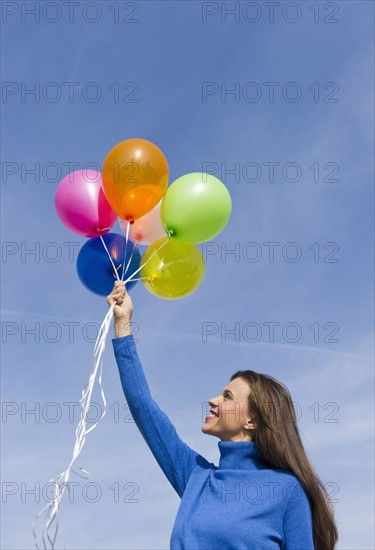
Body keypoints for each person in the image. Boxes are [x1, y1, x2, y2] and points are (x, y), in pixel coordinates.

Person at [107, 281, 338, 550]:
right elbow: (143, 407)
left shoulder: (287, 492)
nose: (212, 400)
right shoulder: (197, 477)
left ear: (252, 420)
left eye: (227, 396)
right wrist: (123, 323)